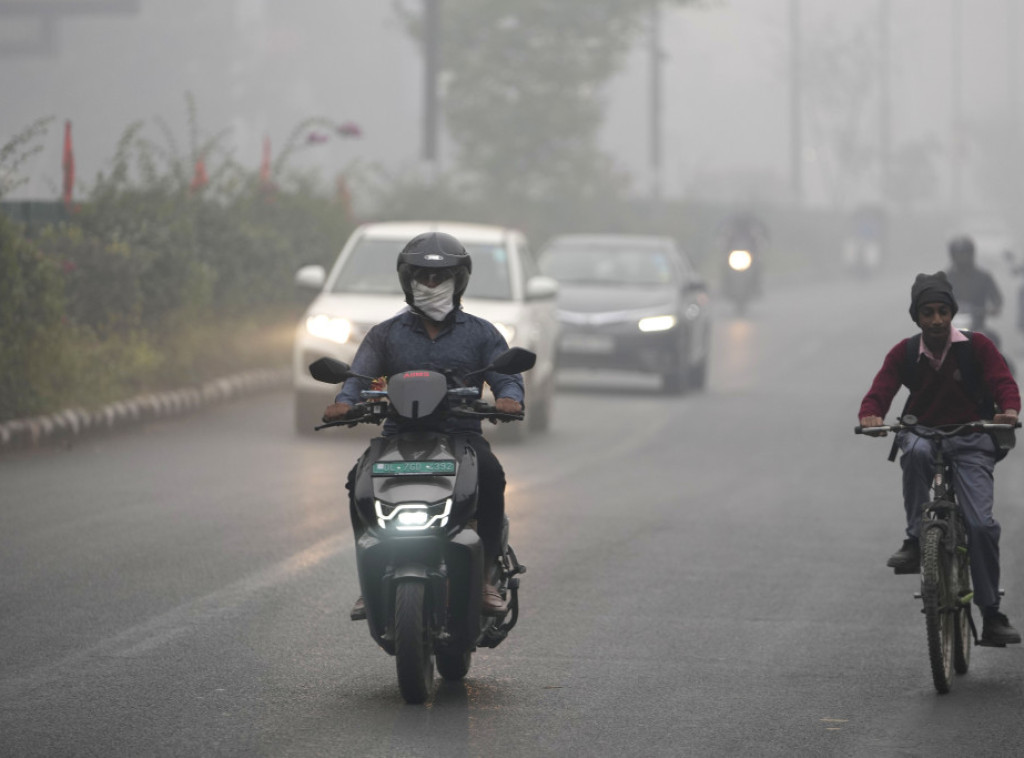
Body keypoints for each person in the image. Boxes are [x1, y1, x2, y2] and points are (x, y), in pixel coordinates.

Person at [322, 231, 524, 619]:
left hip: (461, 436)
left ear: (459, 280)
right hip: (399, 436)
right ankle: (372, 575)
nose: (431, 284)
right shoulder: (385, 335)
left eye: (441, 277)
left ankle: (483, 576)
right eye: (423, 276)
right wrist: (344, 404)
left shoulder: (482, 333)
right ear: (407, 279)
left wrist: (509, 398)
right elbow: (358, 378)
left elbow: (507, 376)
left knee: (493, 475)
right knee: (357, 482)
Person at [858, 271, 1021, 645]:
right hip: (924, 433)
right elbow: (879, 392)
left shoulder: (977, 346)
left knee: (981, 526)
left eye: (942, 312)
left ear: (952, 314)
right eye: (927, 312)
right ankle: (916, 540)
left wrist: (1009, 410)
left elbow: (1004, 384)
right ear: (916, 317)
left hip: (972, 437)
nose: (935, 320)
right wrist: (870, 414)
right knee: (912, 450)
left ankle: (990, 612)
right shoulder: (904, 352)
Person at [946, 234, 1003, 331]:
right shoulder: (944, 278)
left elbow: (996, 299)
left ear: (971, 254)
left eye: (965, 254)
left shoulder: (984, 277)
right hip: (948, 327)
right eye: (958, 254)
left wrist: (993, 309)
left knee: (994, 339)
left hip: (977, 327)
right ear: (952, 255)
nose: (962, 258)